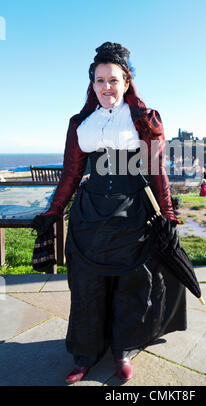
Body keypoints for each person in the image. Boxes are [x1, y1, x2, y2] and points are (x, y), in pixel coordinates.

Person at [37, 42, 187, 384]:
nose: (107, 86)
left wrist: (167, 213)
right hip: (89, 216)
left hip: (132, 213)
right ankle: (85, 355)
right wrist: (53, 210)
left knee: (131, 286)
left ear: (126, 82)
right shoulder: (80, 123)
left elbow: (156, 170)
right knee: (87, 287)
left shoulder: (144, 120)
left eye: (113, 80)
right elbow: (71, 174)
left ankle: (124, 350)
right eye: (100, 80)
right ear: (92, 84)